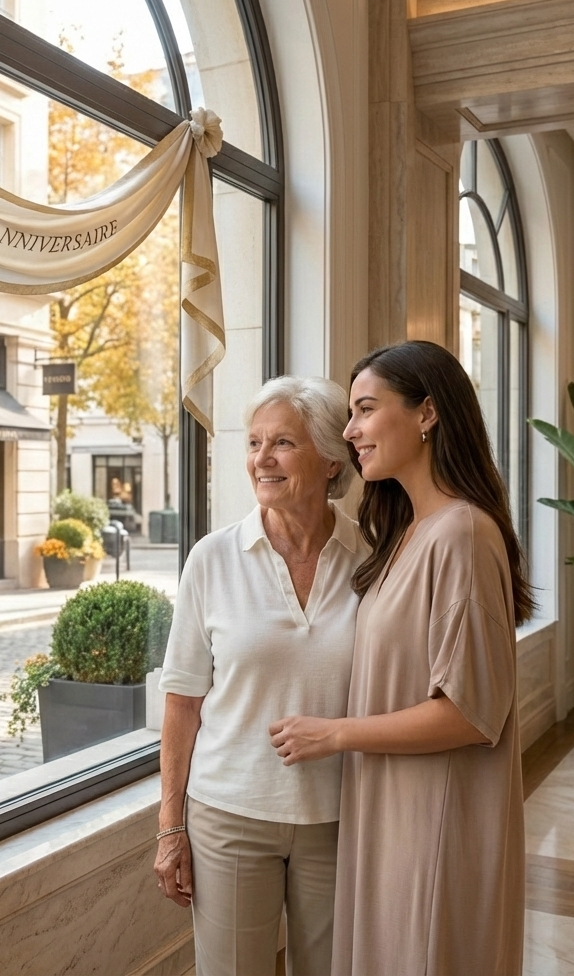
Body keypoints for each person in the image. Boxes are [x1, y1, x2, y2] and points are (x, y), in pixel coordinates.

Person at [268, 341, 532, 976]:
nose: (350, 430)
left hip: (436, 819)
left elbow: (471, 716)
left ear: (427, 414)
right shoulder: (407, 531)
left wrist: (334, 733)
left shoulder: (463, 534)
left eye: (364, 409)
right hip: (392, 810)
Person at [154, 375, 369, 976]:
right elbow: (182, 703)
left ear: (331, 460)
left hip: (339, 814)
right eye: (253, 444)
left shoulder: (372, 558)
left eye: (282, 444)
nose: (261, 460)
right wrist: (171, 826)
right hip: (230, 814)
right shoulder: (212, 558)